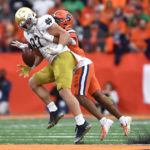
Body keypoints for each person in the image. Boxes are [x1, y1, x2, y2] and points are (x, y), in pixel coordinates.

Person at [12, 7, 91, 144]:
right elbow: (38, 54)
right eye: (23, 25)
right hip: (53, 62)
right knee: (33, 82)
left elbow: (64, 35)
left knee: (64, 91)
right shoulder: (27, 35)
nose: (27, 26)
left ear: (33, 17)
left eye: (28, 22)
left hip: (63, 56)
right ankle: (54, 111)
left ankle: (81, 123)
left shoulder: (44, 21)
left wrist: (58, 48)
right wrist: (31, 67)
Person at [52, 10, 132, 140]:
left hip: (81, 65)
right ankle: (123, 119)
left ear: (63, 22)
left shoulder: (68, 31)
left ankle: (103, 120)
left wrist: (44, 36)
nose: (54, 23)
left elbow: (62, 40)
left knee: (79, 95)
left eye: (56, 20)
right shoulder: (62, 32)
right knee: (98, 95)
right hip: (84, 64)